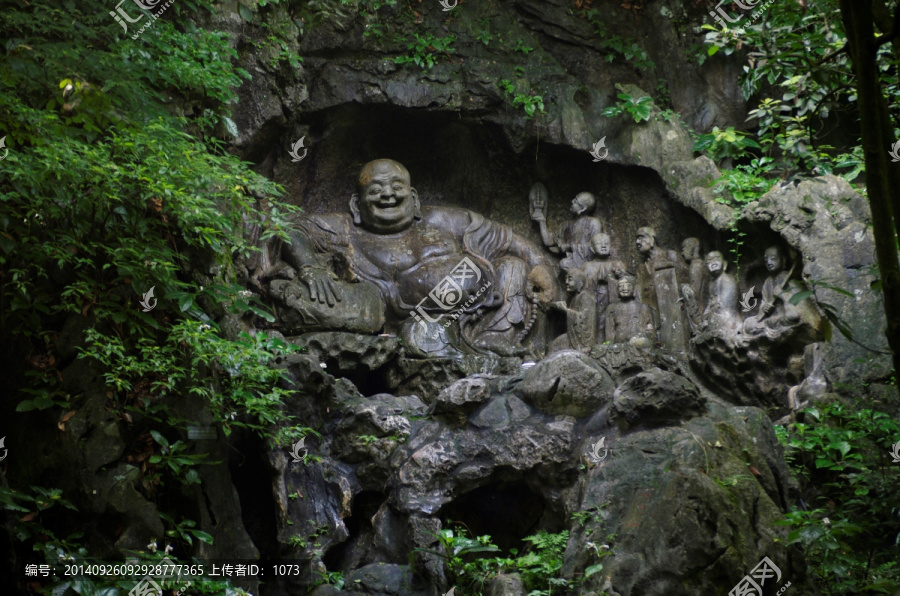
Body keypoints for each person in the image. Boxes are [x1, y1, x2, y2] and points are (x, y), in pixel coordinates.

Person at [281, 159, 558, 356]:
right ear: (357, 204)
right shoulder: (346, 229)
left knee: (512, 266)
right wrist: (309, 268)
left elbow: (508, 240)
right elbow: (291, 228)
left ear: (413, 197)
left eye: (396, 186)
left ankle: (495, 339)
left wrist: (541, 266)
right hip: (390, 310)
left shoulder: (445, 219)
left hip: (470, 308)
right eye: (375, 190)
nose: (387, 194)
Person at [532, 191, 604, 271]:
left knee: (564, 263)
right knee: (564, 264)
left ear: (583, 208)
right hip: (571, 263)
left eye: (576, 201)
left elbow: (596, 247)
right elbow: (548, 241)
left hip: (588, 265)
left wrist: (570, 247)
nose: (572, 201)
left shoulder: (593, 223)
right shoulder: (566, 225)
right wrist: (542, 222)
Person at [548, 269, 596, 352]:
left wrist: (565, 310)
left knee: (553, 347)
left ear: (580, 283)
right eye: (566, 279)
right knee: (551, 346)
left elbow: (585, 320)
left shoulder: (585, 297)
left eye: (570, 279)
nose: (566, 282)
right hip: (572, 335)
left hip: (581, 340)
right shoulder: (572, 298)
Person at [605, 277, 656, 346]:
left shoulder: (642, 307)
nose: (624, 288)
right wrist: (610, 344)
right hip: (618, 346)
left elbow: (650, 331)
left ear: (634, 289)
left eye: (628, 285)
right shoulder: (612, 308)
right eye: (621, 286)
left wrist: (638, 336)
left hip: (638, 343)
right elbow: (609, 333)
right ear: (617, 290)